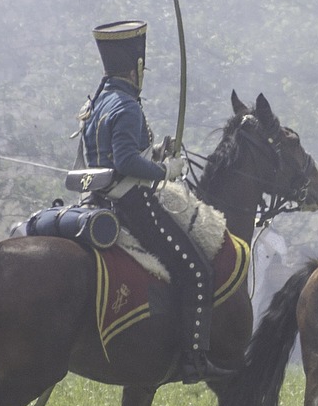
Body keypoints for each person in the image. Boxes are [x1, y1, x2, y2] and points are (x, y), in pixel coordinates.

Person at [77, 20, 231, 384]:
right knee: (198, 271)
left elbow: (112, 155)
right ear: (138, 67)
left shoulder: (96, 103)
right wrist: (165, 171)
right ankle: (194, 360)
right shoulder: (127, 106)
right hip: (132, 204)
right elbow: (125, 161)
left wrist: (157, 154)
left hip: (99, 201)